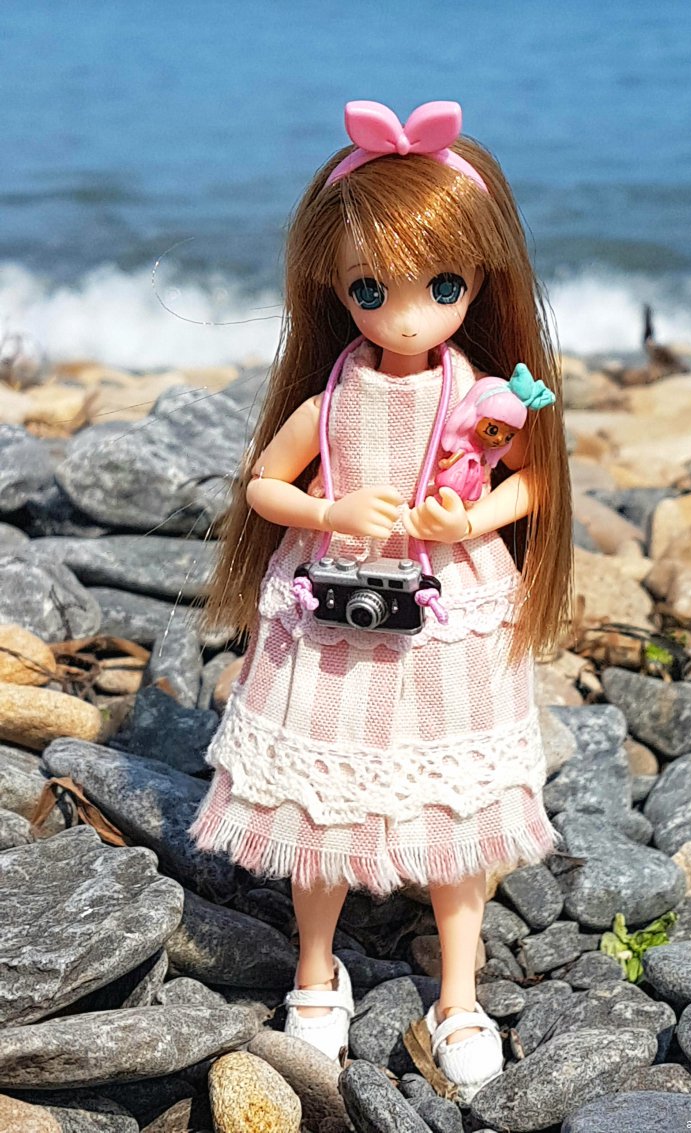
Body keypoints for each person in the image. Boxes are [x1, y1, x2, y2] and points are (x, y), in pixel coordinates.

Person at [189, 100, 572, 1103]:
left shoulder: (482, 395)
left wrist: (469, 515)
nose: (405, 316)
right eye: (371, 288)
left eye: (441, 286)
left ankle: (459, 995)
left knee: (455, 802)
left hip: (451, 605)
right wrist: (332, 506)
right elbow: (263, 487)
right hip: (335, 601)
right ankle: (317, 969)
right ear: (334, 287)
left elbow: (535, 477)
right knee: (322, 790)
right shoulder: (332, 400)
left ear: (480, 279)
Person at [434, 364, 556, 504]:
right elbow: (460, 453)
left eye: (508, 437)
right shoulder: (467, 444)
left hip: (472, 476)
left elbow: (534, 475)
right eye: (493, 430)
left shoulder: (464, 375)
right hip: (460, 469)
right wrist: (449, 462)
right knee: (452, 484)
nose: (499, 439)